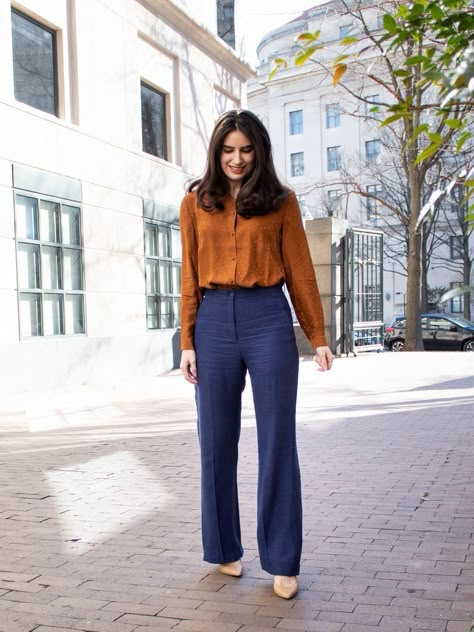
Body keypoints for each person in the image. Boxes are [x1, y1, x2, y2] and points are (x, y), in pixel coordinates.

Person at [179, 109, 333, 600]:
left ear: (259, 151)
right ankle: (225, 547)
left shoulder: (282, 202)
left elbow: (301, 271)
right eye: (228, 150)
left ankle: (283, 561)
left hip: (268, 316)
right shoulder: (195, 202)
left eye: (245, 150)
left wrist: (318, 333)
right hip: (214, 321)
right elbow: (187, 273)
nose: (236, 159)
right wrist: (186, 341)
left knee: (278, 442)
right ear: (216, 152)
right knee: (216, 443)